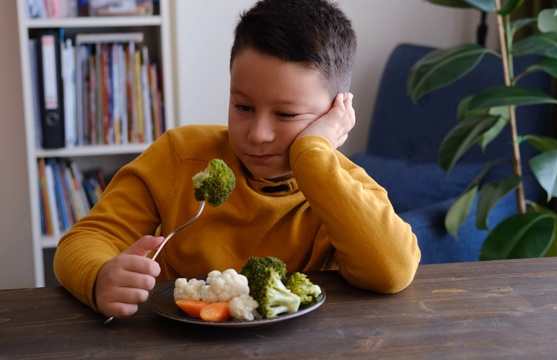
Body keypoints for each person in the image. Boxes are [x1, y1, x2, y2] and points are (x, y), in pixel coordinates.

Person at [54, 0, 421, 319]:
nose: (258, 133)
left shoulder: (337, 183)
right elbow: (84, 239)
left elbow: (393, 271)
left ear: (333, 114)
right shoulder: (181, 155)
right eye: (243, 107)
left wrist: (312, 155)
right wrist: (100, 276)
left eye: (286, 115)